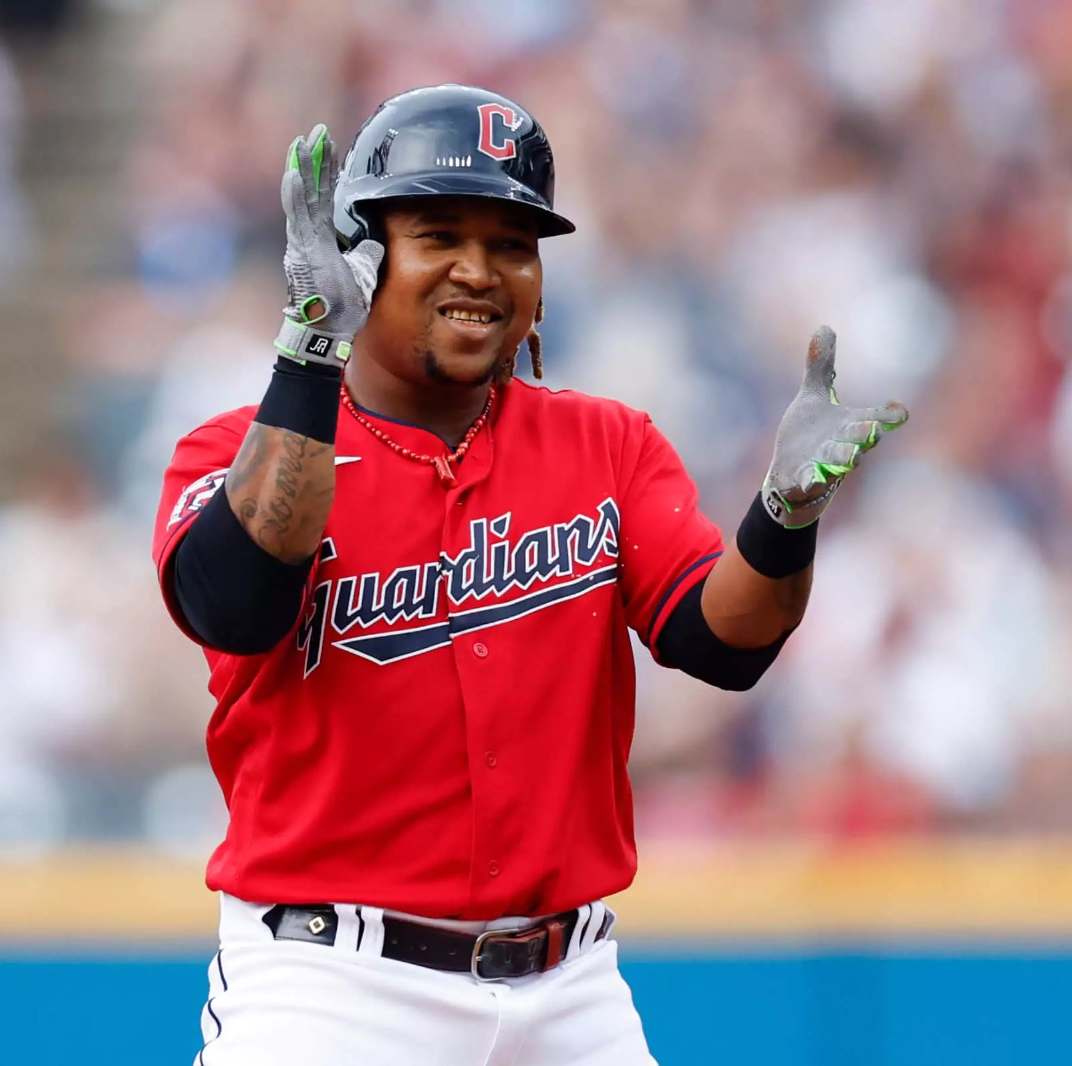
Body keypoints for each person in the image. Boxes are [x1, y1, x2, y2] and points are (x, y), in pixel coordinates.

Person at [152, 84, 907, 1066]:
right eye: (439, 234)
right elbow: (237, 603)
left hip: (570, 991)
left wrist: (782, 518)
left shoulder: (606, 442)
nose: (479, 268)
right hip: (333, 987)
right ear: (361, 256)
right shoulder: (236, 448)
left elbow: (720, 643)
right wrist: (310, 355)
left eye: (512, 243)